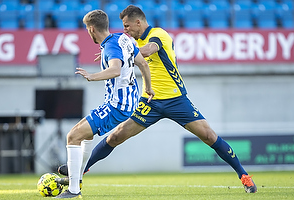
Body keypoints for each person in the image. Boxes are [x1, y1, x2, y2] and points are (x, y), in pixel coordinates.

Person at [57, 5, 257, 195]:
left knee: (208, 136)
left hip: (176, 99)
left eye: (127, 26)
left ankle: (244, 175)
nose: (125, 30)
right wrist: (116, 54)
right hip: (149, 102)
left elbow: (149, 50)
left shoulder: (158, 35)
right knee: (116, 136)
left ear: (138, 22)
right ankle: (81, 171)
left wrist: (121, 55)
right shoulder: (130, 43)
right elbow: (130, 57)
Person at [54, 9, 154, 199]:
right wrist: (148, 88)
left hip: (117, 106)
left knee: (73, 136)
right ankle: (77, 175)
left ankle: (74, 189)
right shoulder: (122, 40)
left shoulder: (111, 48)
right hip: (126, 102)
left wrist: (92, 76)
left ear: (92, 29)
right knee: (84, 135)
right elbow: (143, 63)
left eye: (86, 29)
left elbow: (115, 70)